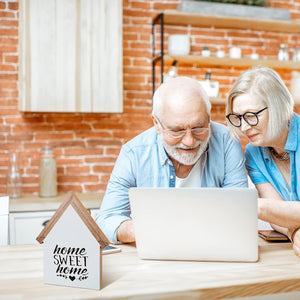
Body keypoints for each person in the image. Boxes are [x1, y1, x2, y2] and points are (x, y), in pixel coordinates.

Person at [96, 76, 248, 244]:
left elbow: (239, 211)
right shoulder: (134, 153)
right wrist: (138, 230)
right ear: (156, 123)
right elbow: (106, 220)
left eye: (199, 127)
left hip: (215, 249)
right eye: (176, 131)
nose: (190, 141)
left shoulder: (227, 142)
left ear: (209, 117)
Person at [226, 66, 300, 256]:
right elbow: (275, 217)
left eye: (251, 115)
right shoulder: (253, 153)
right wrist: (294, 232)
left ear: (277, 106)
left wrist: (258, 206)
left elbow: (269, 208)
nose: (243, 127)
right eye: (238, 117)